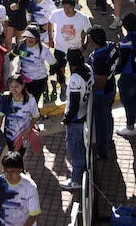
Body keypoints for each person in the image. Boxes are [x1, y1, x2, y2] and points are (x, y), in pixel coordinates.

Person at [59, 48, 93, 191]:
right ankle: (85, 171)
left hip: (76, 120)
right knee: (83, 148)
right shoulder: (88, 69)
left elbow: (74, 103)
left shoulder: (75, 79)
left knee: (75, 151)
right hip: (85, 115)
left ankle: (76, 180)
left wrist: (67, 118)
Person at [47, 0, 91, 102]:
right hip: (60, 48)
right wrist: (50, 38)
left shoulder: (82, 18)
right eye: (64, 7)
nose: (66, 10)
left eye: (69, 7)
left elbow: (89, 32)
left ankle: (74, 89)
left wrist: (84, 46)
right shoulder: (57, 14)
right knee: (60, 70)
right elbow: (50, 22)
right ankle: (63, 88)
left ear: (74, 7)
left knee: (75, 71)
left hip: (75, 50)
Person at [87, 25, 120, 161]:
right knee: (107, 116)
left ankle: (102, 151)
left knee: (100, 122)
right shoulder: (111, 45)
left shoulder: (98, 58)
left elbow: (100, 82)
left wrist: (89, 91)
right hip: (111, 85)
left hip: (102, 92)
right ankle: (109, 141)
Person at [0, 152, 41, 226]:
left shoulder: (30, 186)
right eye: (6, 171)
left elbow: (33, 215)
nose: (9, 175)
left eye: (12, 171)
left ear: (20, 170)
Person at [116, 12, 136, 137]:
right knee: (135, 97)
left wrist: (114, 70)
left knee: (127, 100)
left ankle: (130, 126)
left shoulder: (127, 41)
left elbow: (122, 62)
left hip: (129, 74)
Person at [9, 25, 56, 103]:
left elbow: (53, 63)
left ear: (37, 38)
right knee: (24, 101)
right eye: (29, 37)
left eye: (33, 37)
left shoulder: (44, 49)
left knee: (34, 102)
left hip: (39, 80)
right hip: (24, 79)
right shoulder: (20, 45)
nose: (30, 39)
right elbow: (11, 56)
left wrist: (52, 76)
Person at [0, 74, 39, 153]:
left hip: (23, 137)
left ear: (23, 85)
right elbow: (0, 117)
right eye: (11, 87)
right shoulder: (4, 98)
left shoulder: (30, 100)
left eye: (16, 87)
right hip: (9, 137)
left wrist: (29, 129)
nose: (13, 90)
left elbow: (35, 117)